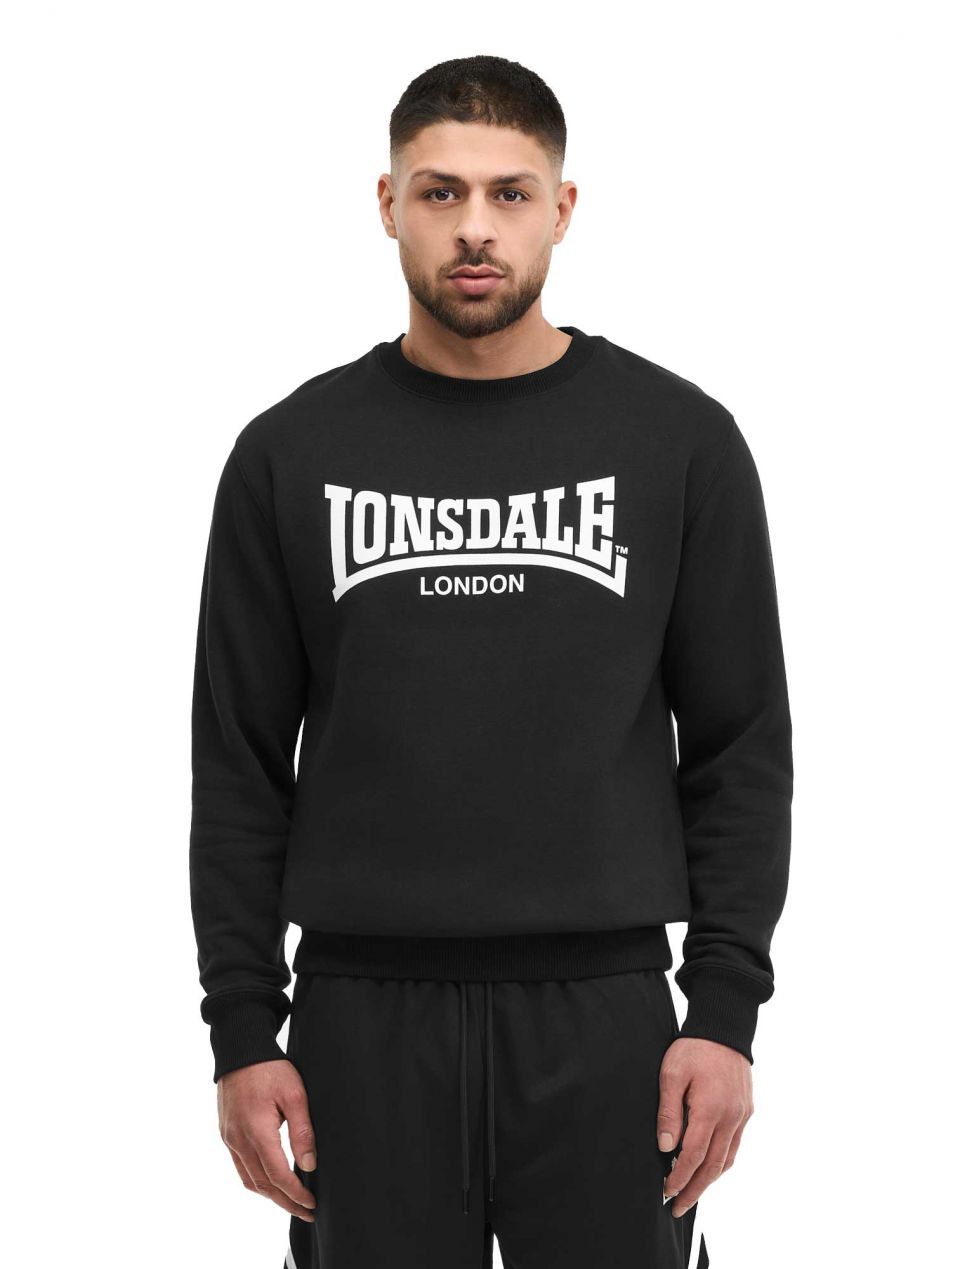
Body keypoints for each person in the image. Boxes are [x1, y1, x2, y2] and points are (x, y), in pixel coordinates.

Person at [189, 54, 793, 1269]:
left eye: (510, 194)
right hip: (360, 1022)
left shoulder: (678, 443)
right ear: (389, 204)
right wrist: (244, 1031)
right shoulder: (289, 453)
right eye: (440, 192)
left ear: (561, 210)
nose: (475, 227)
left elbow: (740, 751)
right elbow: (240, 768)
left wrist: (724, 1014)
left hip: (610, 1021)